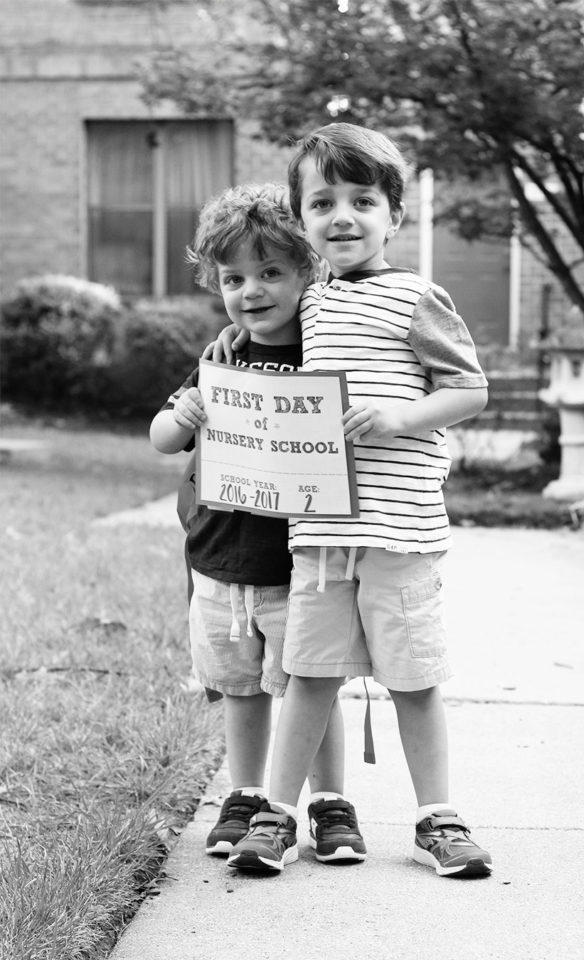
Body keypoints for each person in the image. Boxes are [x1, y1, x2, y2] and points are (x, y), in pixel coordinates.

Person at [215, 123, 493, 878]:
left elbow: (469, 389)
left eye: (362, 200)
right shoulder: (309, 303)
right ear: (302, 223)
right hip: (321, 530)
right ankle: (277, 815)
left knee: (414, 679)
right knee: (308, 674)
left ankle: (438, 817)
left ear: (393, 216)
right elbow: (259, 325)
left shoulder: (414, 297)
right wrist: (225, 350)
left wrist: (402, 417)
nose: (343, 215)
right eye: (322, 201)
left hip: (401, 530)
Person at [150, 182, 366, 870]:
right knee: (241, 688)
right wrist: (180, 418)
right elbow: (160, 436)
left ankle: (329, 803)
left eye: (272, 272)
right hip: (220, 558)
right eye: (233, 277)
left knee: (312, 683)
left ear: (310, 272)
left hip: (299, 564)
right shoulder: (221, 359)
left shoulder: (325, 358)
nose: (252, 290)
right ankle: (245, 794)